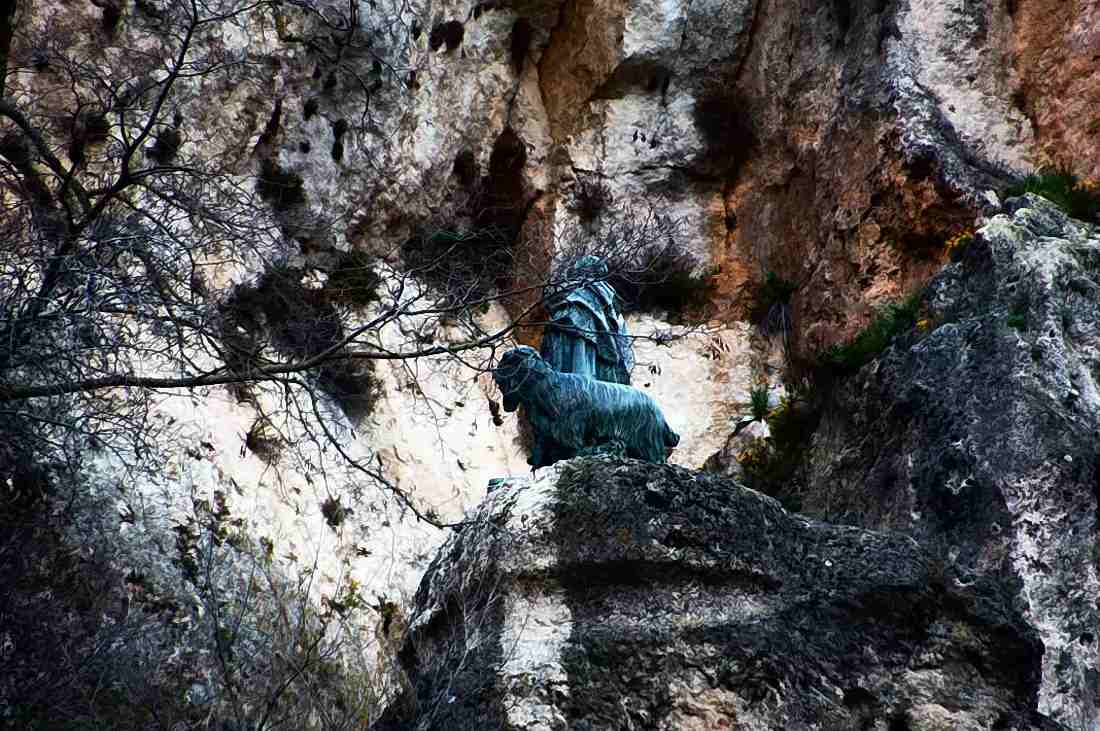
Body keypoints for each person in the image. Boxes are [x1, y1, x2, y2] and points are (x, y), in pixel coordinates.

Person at [539, 255, 634, 385]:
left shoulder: (564, 302)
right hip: (600, 385)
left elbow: (550, 350)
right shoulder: (611, 307)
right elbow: (625, 355)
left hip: (563, 382)